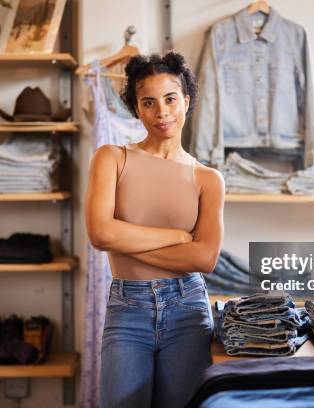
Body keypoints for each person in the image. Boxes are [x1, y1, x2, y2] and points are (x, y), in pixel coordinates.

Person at [84, 51, 225, 408]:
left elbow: (204, 257)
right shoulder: (111, 158)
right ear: (136, 108)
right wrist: (176, 238)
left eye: (170, 99)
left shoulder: (208, 179)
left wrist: (123, 236)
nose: (161, 111)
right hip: (127, 307)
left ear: (186, 101)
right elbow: (100, 234)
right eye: (149, 102)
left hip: (188, 308)